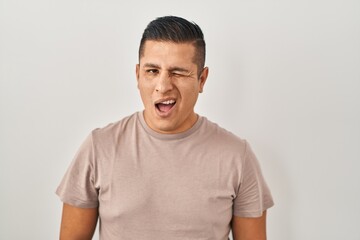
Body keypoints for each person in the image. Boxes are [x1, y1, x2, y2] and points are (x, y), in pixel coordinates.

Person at [56, 16, 274, 240]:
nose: (163, 86)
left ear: (202, 80)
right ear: (138, 75)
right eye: (152, 71)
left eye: (178, 72)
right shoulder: (99, 147)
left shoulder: (237, 156)